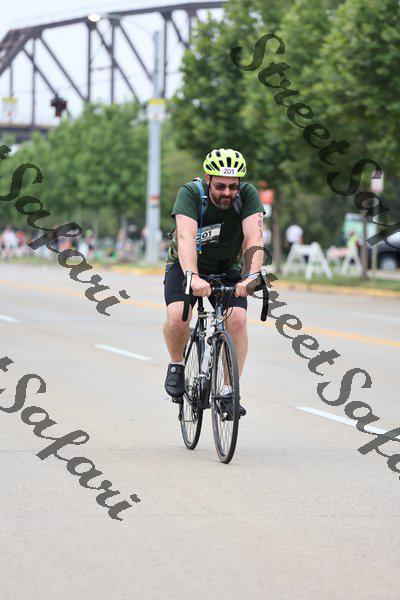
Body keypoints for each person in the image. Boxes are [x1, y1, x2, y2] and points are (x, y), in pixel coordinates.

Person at [163, 148, 265, 417]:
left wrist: (252, 276)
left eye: (233, 186)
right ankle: (176, 364)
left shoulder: (248, 195)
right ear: (208, 179)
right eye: (220, 186)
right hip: (185, 265)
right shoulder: (190, 193)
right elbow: (185, 237)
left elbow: (254, 238)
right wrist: (193, 276)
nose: (227, 193)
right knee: (177, 316)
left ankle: (228, 391)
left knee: (238, 321)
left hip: (226, 267)